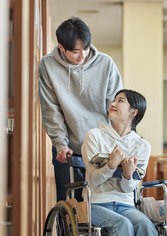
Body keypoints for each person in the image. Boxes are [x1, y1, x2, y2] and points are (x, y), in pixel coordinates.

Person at [39, 17, 123, 202]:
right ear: (61, 47)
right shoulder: (48, 66)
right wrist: (60, 144)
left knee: (102, 205)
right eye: (76, 51)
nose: (82, 55)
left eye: (86, 48)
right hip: (69, 148)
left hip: (102, 148)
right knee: (70, 205)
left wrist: (122, 140)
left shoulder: (105, 64)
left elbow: (117, 108)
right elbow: (51, 110)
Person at [81, 89, 157, 236]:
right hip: (96, 203)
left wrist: (128, 175)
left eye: (120, 101)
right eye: (114, 100)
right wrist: (110, 166)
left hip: (126, 205)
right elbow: (93, 180)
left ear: (133, 113)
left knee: (145, 225)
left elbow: (128, 189)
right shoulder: (94, 136)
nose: (113, 104)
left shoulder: (142, 146)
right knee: (122, 224)